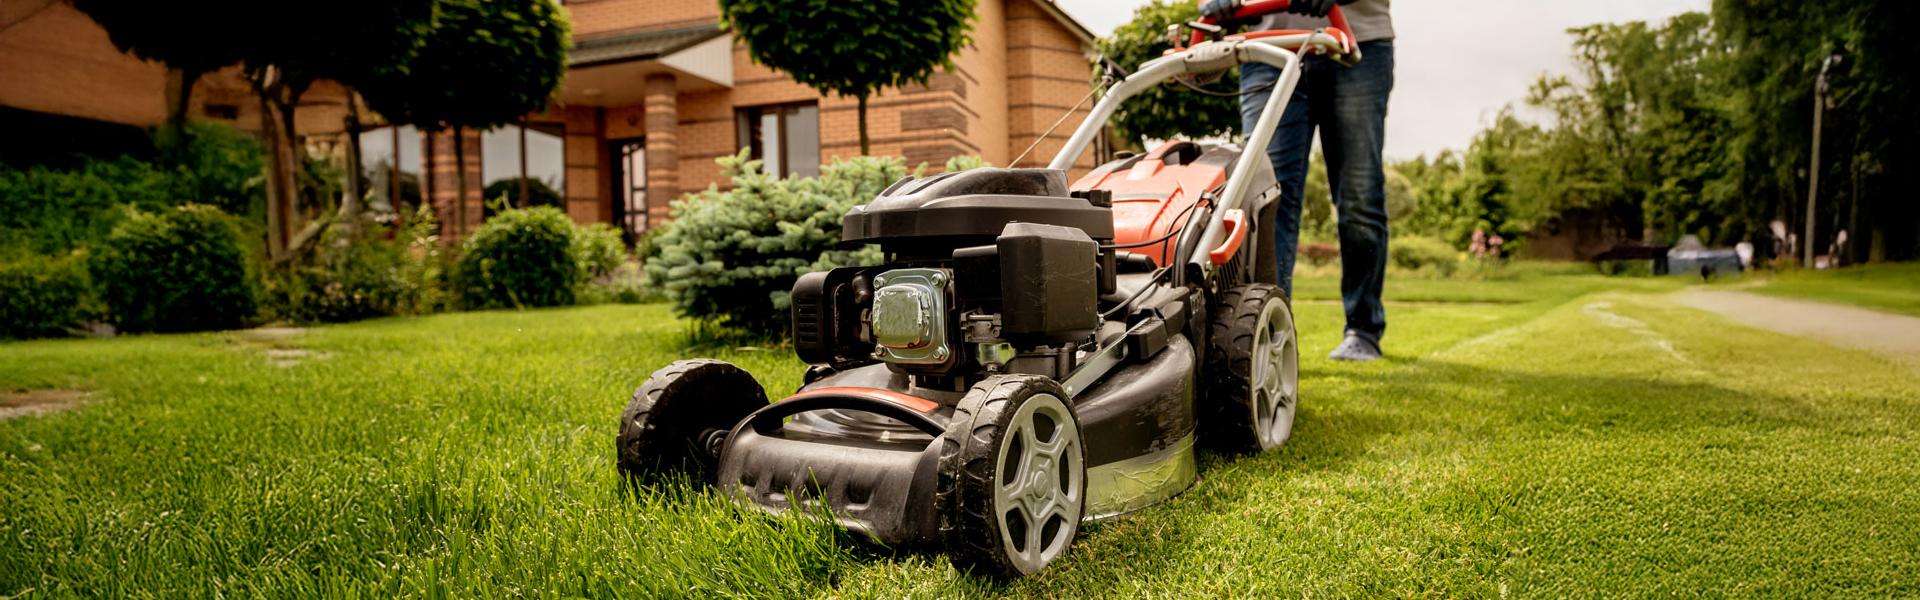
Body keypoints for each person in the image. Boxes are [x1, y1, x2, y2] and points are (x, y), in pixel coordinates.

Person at [1200, 0, 1394, 361]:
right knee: (1265, 198)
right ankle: (1267, 330)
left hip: (1356, 38)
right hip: (1267, 47)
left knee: (1358, 195)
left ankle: (1363, 329)